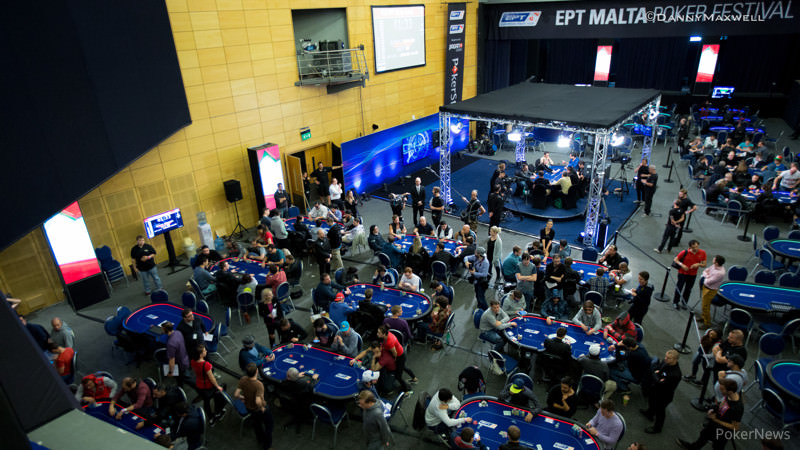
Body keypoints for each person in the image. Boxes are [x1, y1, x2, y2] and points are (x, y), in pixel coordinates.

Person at [676, 378, 742, 450]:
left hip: (723, 431)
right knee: (704, 435)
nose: (720, 391)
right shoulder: (729, 395)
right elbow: (722, 405)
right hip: (715, 423)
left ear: (729, 391)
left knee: (717, 446)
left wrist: (716, 420)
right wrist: (713, 409)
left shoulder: (737, 408)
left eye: (722, 390)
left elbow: (735, 427)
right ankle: (693, 447)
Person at [640, 349, 682, 434]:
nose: (665, 359)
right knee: (651, 401)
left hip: (664, 395)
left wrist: (656, 375)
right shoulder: (665, 362)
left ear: (675, 360)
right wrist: (657, 376)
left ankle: (657, 428)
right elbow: (656, 369)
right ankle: (649, 413)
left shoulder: (675, 374)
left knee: (660, 412)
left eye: (669, 358)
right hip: (655, 389)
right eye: (666, 356)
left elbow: (660, 382)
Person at [235, 363, 274, 450]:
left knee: (257, 424)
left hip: (249, 408)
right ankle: (267, 446)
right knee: (269, 425)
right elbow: (258, 401)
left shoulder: (243, 379)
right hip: (258, 409)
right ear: (257, 371)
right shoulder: (258, 384)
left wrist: (243, 397)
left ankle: (260, 439)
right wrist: (262, 408)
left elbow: (236, 394)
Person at [190, 344, 227, 425]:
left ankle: (211, 418)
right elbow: (212, 378)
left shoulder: (192, 361)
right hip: (208, 386)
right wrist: (217, 386)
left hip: (199, 384)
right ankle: (218, 412)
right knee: (219, 394)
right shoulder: (206, 365)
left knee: (206, 401)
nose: (206, 351)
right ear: (200, 354)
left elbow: (194, 372)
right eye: (204, 351)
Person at [611, 337, 651, 403]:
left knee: (612, 371)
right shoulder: (640, 346)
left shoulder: (633, 354)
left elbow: (619, 358)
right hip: (641, 370)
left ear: (629, 347)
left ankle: (624, 389)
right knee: (621, 364)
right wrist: (617, 345)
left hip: (636, 376)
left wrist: (617, 347)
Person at [672, 240, 707, 310]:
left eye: (697, 247)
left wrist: (698, 264)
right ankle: (675, 302)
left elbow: (704, 264)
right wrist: (682, 265)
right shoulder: (684, 252)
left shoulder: (702, 253)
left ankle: (684, 302)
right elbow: (676, 259)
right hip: (682, 273)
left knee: (688, 289)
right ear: (690, 247)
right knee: (679, 287)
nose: (695, 249)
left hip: (693, 274)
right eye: (693, 247)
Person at [699, 255, 726, 329]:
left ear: (717, 262)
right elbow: (705, 271)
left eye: (714, 259)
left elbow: (708, 282)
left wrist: (706, 276)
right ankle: (703, 317)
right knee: (704, 305)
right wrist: (707, 275)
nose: (713, 259)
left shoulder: (720, 273)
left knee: (706, 307)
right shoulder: (714, 266)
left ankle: (707, 323)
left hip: (710, 290)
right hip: (706, 287)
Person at [161, 321, 190, 386]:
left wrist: (170, 372)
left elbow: (172, 360)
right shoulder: (178, 332)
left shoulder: (170, 344)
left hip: (180, 364)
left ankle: (180, 388)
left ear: (166, 330)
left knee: (180, 380)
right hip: (185, 358)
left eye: (162, 329)